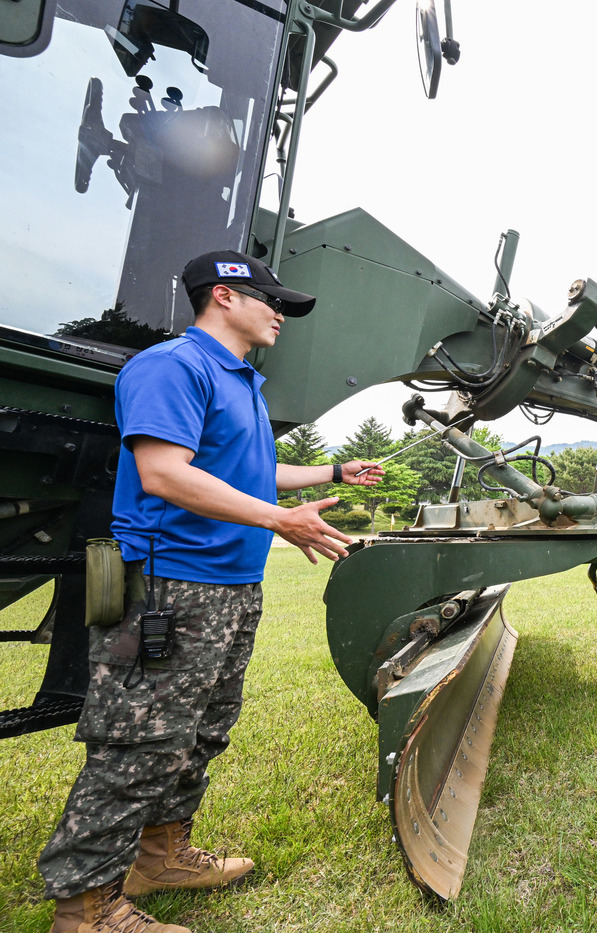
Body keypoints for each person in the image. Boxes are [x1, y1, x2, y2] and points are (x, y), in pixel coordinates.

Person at [37, 251, 384, 933]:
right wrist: (278, 519)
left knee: (199, 731)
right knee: (136, 743)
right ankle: (85, 907)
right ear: (224, 296)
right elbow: (165, 473)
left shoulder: (239, 382)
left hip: (227, 587)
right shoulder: (172, 367)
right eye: (270, 300)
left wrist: (335, 470)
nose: (280, 313)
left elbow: (254, 470)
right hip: (168, 587)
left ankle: (161, 855)